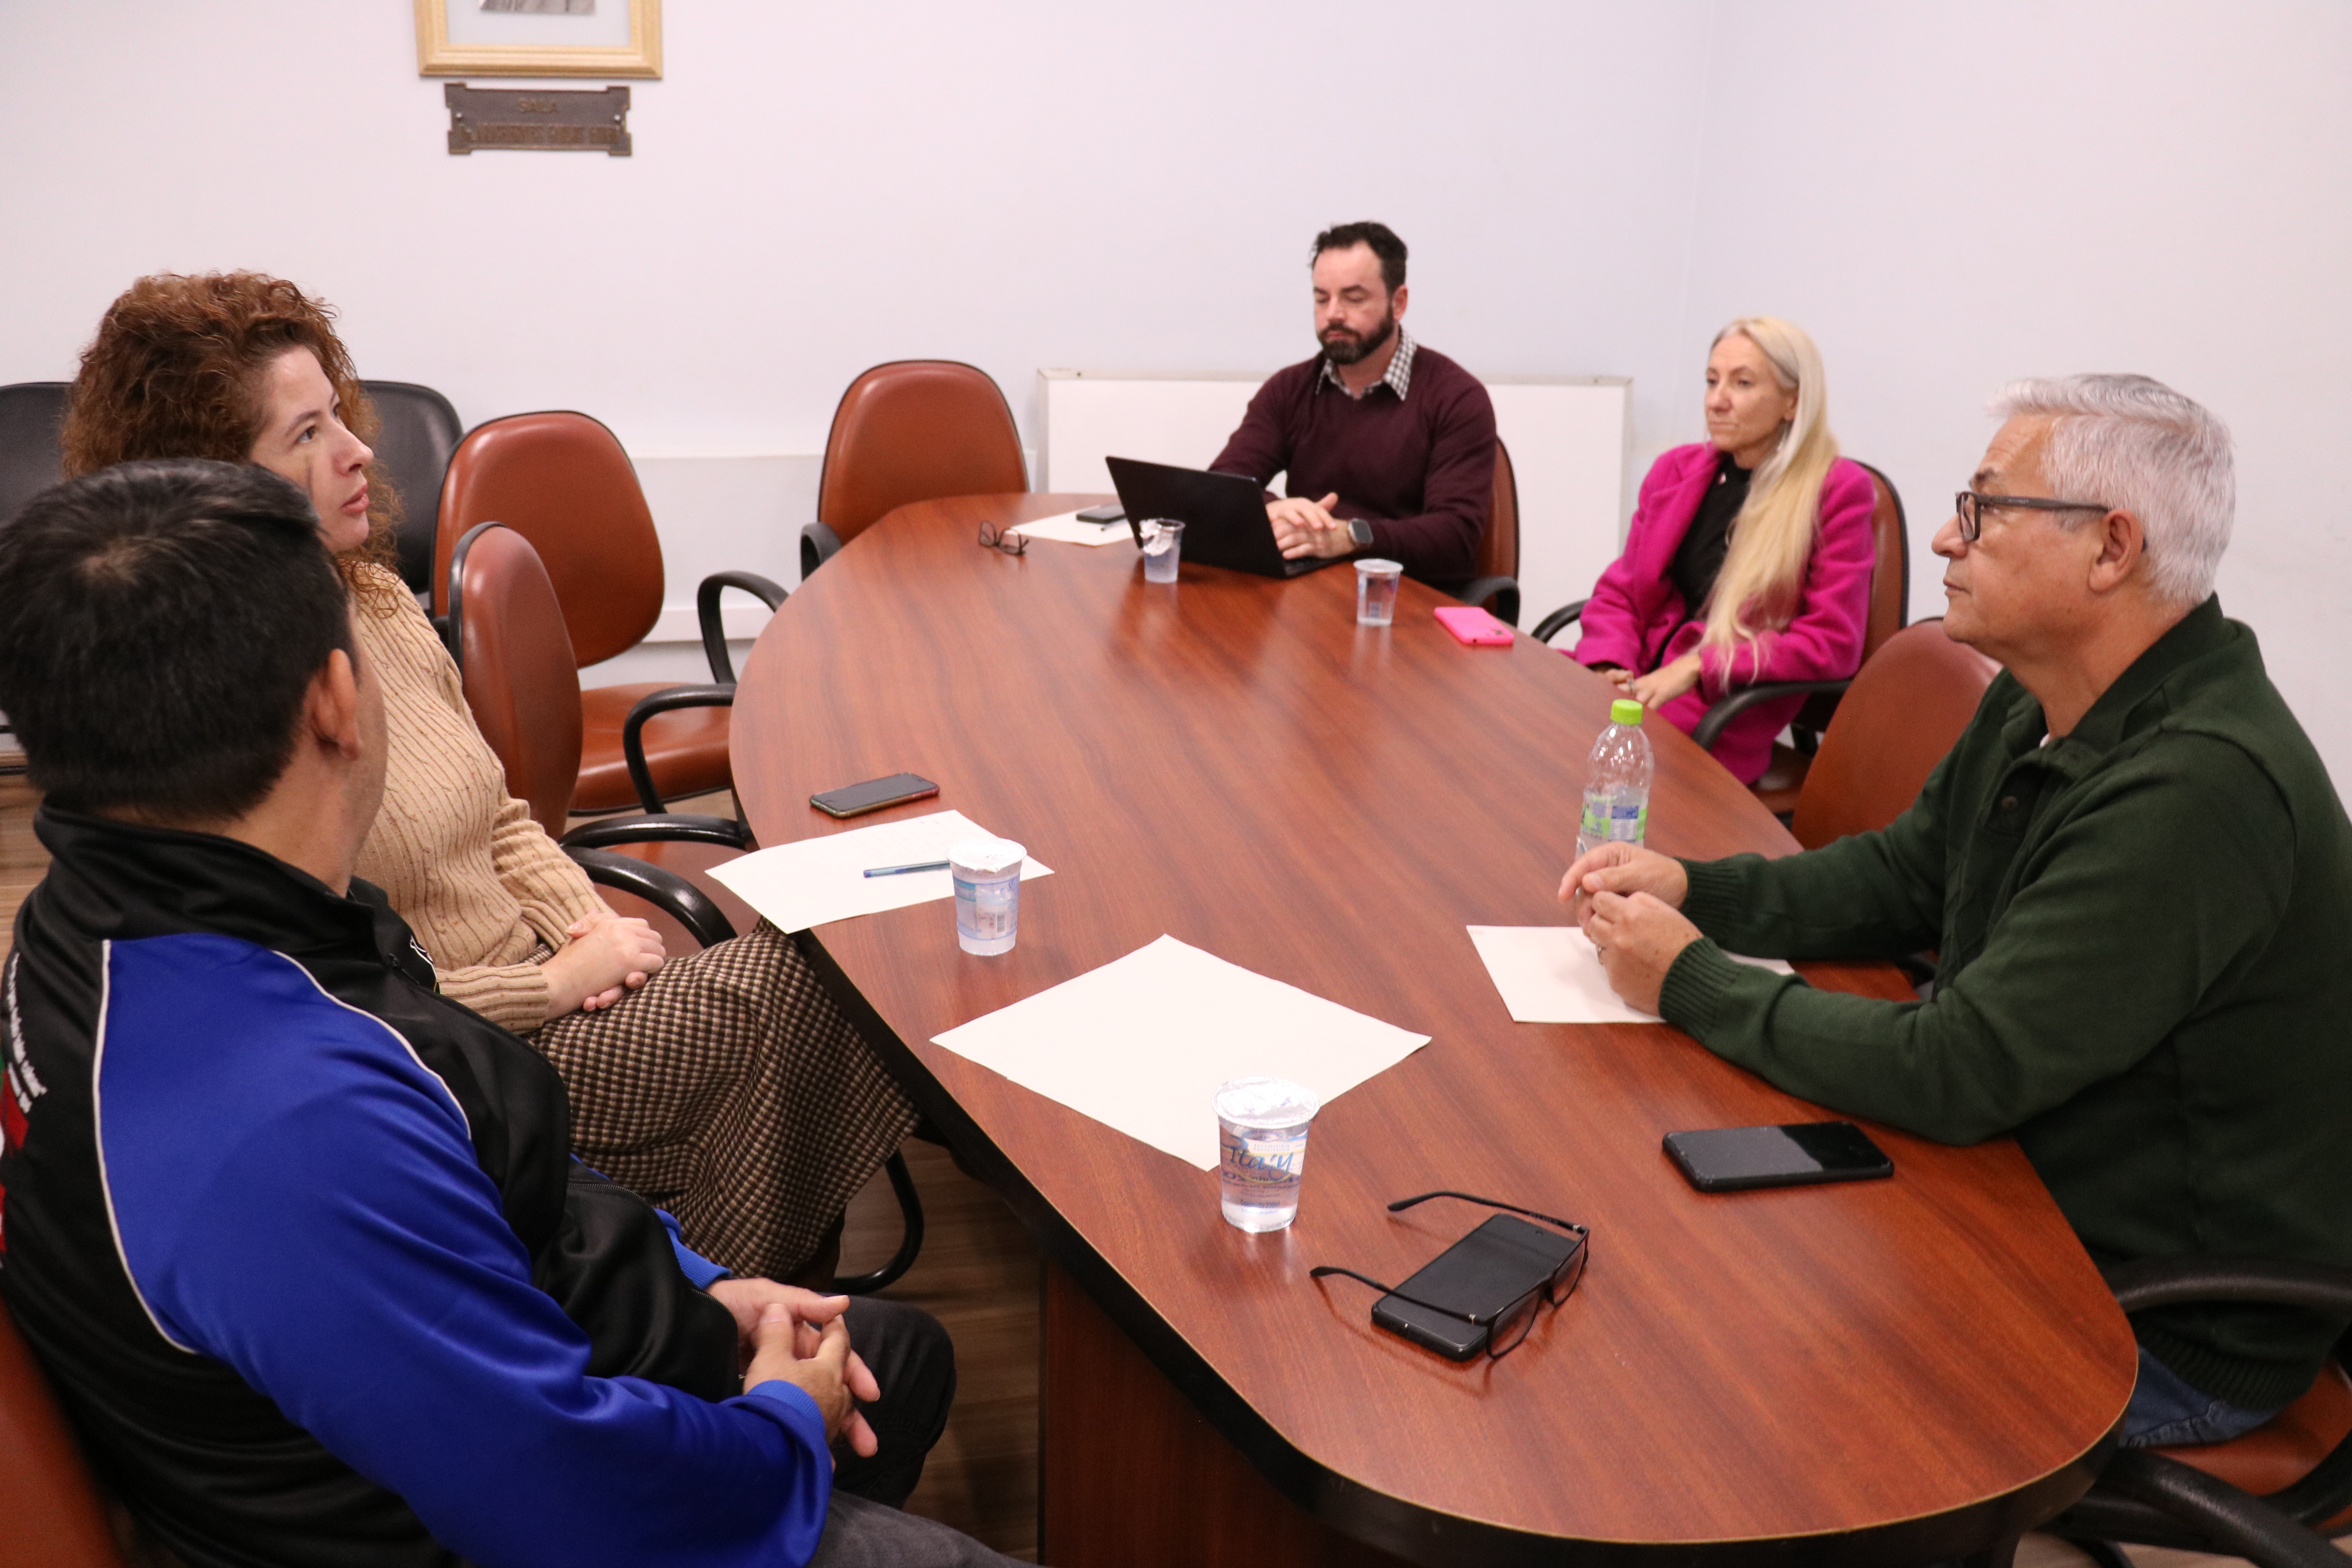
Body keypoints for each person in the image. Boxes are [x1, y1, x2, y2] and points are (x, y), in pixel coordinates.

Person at [0, 459, 1015, 1566]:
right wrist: (781, 1423)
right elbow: (567, 1497)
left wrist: (702, 1288)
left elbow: (471, 1169)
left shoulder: (109, 926)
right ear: (337, 700)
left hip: (413, 1419)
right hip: (480, 1518)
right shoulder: (285, 1127)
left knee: (895, 1355)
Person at [58, 271, 913, 1285]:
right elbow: (331, 1003)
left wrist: (586, 926)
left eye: (339, 413)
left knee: (829, 983)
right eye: (305, 435)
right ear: (206, 480)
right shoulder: (232, 710)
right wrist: (546, 985)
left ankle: (720, 1302)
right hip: (467, 1059)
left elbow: (502, 815)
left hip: (555, 989)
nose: (357, 451)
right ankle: (726, 1313)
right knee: (815, 990)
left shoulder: (374, 597)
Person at [1560, 374, 2352, 1445]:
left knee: (1752, 1399)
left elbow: (1960, 1067)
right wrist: (1699, 891)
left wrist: (1689, 978)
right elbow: (1903, 876)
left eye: (1982, 510)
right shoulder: (2048, 694)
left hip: (2147, 1314)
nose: (1941, 539)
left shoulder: (2199, 789)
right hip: (2022, 1186)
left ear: (2111, 550)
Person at [1568, 318, 1875, 784]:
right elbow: (1623, 591)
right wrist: (1609, 663)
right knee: (1531, 724)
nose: (1717, 400)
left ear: (1793, 402)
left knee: (1572, 775)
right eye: (1712, 381)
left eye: (1743, 383)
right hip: (1637, 690)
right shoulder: (1676, 469)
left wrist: (1699, 665)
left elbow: (1832, 643)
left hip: (1717, 717)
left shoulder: (1836, 490)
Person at [1207, 221, 1497, 590]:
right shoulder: (1290, 389)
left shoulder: (1456, 398)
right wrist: (1268, 507)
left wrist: (1352, 537)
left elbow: (1454, 538)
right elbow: (1222, 485)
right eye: (1322, 298)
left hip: (1410, 605)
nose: (1333, 314)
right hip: (1312, 598)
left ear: (1399, 303)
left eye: (1354, 298)